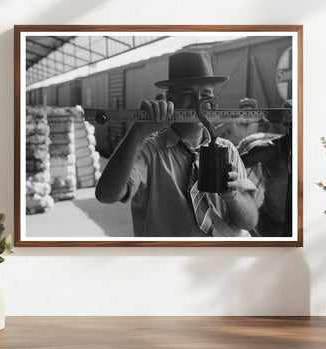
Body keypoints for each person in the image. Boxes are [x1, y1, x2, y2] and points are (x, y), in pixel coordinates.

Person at [96, 51, 258, 237]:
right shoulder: (149, 151)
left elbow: (250, 221)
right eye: (188, 94)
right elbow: (106, 195)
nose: (198, 103)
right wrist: (138, 131)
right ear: (170, 100)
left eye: (205, 95)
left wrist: (232, 196)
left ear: (213, 103)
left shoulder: (227, 150)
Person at [237, 99, 292, 237]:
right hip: (271, 227)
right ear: (286, 124)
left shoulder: (317, 152)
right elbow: (233, 165)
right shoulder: (270, 150)